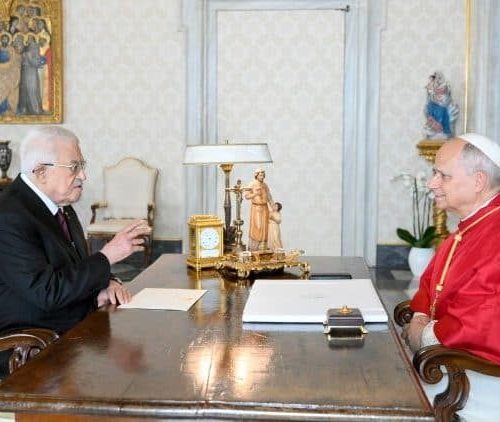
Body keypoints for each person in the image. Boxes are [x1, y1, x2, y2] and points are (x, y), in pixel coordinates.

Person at [0, 127, 149, 374]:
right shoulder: (9, 216)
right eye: (74, 167)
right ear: (41, 171)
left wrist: (106, 283)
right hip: (31, 348)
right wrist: (108, 256)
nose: (83, 175)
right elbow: (47, 292)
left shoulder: (62, 207)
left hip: (72, 332)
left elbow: (75, 268)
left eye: (82, 165)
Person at [402, 133, 500, 420]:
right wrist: (421, 317)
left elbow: (483, 322)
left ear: (478, 181)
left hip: (478, 381)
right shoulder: (470, 227)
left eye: (443, 176)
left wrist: (421, 333)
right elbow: (429, 287)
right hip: (448, 363)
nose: (432, 184)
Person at [244, 168, 274, 251]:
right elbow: (246, 196)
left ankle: (263, 247)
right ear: (256, 175)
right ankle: (254, 248)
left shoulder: (265, 185)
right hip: (256, 208)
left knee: (265, 227)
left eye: (263, 175)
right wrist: (255, 194)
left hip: (265, 208)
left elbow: (269, 196)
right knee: (258, 227)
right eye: (260, 175)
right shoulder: (252, 184)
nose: (262, 177)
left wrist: (273, 206)